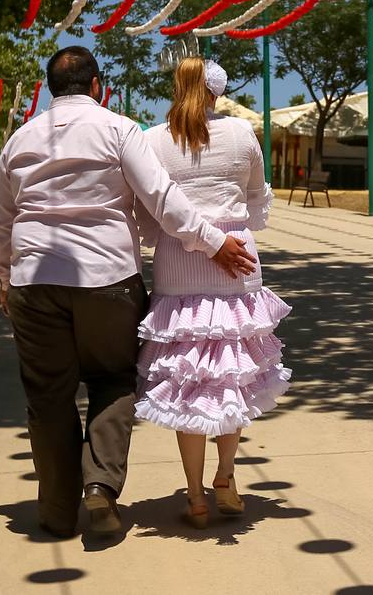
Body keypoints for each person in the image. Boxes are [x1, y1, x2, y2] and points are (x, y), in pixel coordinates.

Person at [0, 46, 257, 540]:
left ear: (51, 89)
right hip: (106, 279)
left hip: (33, 282)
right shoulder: (119, 129)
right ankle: (101, 488)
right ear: (97, 86)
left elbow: (0, 218)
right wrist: (215, 243)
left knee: (48, 396)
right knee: (112, 380)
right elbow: (162, 198)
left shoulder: (19, 139)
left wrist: (4, 276)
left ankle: (55, 510)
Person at [135, 58, 290, 528]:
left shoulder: (153, 139)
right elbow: (257, 195)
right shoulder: (243, 135)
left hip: (177, 268)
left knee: (187, 382)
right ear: (218, 94)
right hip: (237, 260)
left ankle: (196, 496)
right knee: (233, 375)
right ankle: (226, 475)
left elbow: (148, 210)